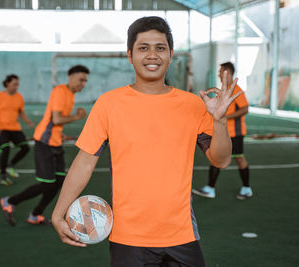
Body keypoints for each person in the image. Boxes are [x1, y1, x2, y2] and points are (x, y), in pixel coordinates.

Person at [51, 17, 242, 267]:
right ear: (130, 55)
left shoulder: (194, 104)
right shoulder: (109, 104)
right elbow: (84, 162)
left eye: (160, 48)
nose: (152, 55)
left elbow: (222, 159)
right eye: (144, 48)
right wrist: (58, 212)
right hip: (128, 238)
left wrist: (218, 121)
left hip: (182, 235)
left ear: (171, 54)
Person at [0, 65, 89, 226]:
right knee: (47, 183)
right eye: (81, 79)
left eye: (85, 81)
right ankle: (10, 201)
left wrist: (60, 134)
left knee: (60, 181)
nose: (83, 84)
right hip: (44, 142)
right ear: (71, 77)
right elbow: (55, 120)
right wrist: (78, 116)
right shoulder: (60, 92)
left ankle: (36, 214)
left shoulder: (71, 95)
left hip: (55, 142)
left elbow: (55, 123)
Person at [192, 62, 252, 200]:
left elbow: (245, 109)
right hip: (223, 132)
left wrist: (224, 116)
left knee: (239, 158)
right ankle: (210, 188)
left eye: (221, 71)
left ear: (229, 73)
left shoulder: (236, 90)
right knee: (216, 158)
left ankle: (247, 188)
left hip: (235, 133)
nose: (219, 74)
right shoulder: (224, 90)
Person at [0, 74, 34, 186]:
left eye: (17, 84)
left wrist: (28, 121)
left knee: (25, 148)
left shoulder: (19, 97)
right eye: (14, 84)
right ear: (7, 83)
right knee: (5, 150)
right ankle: (3, 177)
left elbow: (21, 112)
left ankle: (10, 165)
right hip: (2, 129)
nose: (16, 86)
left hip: (15, 128)